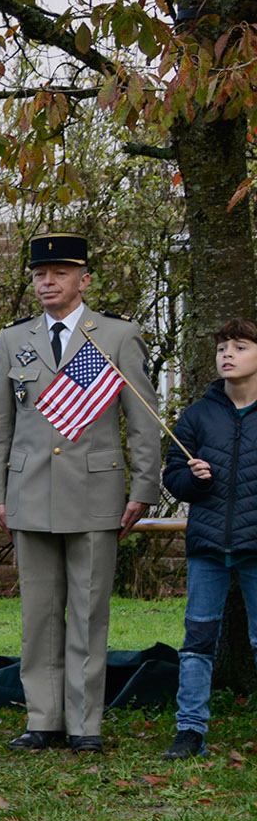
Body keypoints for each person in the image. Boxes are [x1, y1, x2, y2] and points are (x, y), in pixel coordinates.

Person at [0, 234, 161, 754]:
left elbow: (143, 421)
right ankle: (43, 719)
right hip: (30, 492)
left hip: (94, 491)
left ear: (83, 280)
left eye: (59, 273)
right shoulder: (13, 340)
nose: (47, 282)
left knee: (88, 613)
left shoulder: (115, 335)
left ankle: (86, 725)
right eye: (40, 274)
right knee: (39, 615)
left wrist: (146, 488)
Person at [160, 318, 257, 760]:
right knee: (197, 641)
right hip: (207, 549)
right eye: (222, 348)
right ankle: (190, 731)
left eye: (239, 346)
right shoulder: (197, 415)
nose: (228, 354)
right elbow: (174, 478)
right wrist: (193, 479)